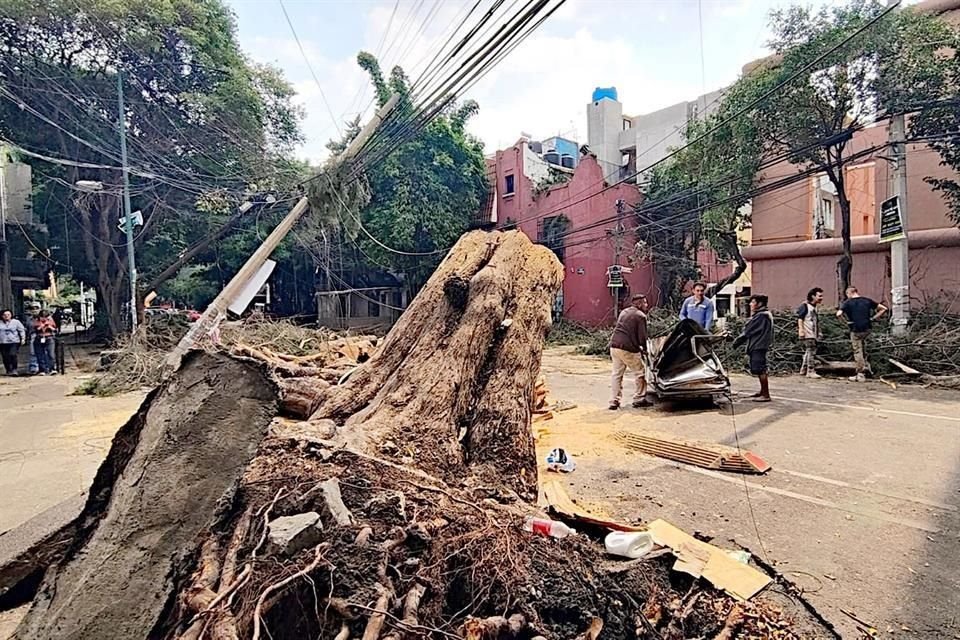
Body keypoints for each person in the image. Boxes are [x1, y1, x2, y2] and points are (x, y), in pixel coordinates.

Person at [609, 293, 651, 410]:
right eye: (645, 303)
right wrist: (645, 350)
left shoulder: (624, 312)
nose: (647, 305)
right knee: (640, 372)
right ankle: (639, 398)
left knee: (617, 374)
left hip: (614, 346)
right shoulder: (640, 316)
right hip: (627, 348)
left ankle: (614, 400)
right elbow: (642, 337)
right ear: (640, 304)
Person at [836, 286, 887, 382]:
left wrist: (845, 322)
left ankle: (860, 373)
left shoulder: (847, 303)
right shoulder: (867, 300)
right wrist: (874, 318)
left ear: (848, 293)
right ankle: (869, 368)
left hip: (856, 329)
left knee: (858, 351)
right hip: (867, 328)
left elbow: (838, 314)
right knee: (864, 348)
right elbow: (883, 308)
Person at [733, 294, 774, 402]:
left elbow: (748, 331)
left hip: (758, 345)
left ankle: (766, 394)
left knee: (760, 369)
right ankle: (762, 391)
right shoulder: (763, 315)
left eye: (753, 302)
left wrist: (736, 342)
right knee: (759, 368)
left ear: (759, 304)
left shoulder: (761, 316)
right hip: (759, 345)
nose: (750, 304)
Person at [796, 287, 824, 379]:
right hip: (808, 333)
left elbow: (817, 321)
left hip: (813, 333)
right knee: (811, 351)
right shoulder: (805, 306)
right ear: (813, 296)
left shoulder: (814, 307)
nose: (821, 298)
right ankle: (810, 370)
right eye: (819, 296)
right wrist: (801, 330)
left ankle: (803, 369)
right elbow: (800, 319)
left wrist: (819, 332)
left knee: (809, 351)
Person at [0, 309, 26, 375]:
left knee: (13, 354)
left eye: (8, 315)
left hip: (14, 341)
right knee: (5, 357)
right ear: (2, 316)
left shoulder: (16, 322)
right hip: (2, 342)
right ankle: (8, 370)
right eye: (4, 315)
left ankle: (14, 369)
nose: (6, 316)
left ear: (11, 315)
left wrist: (23, 338)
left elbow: (21, 330)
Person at [33, 309, 58, 375]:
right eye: (42, 317)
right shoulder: (36, 321)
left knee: (51, 354)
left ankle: (52, 368)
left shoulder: (50, 320)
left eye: (45, 317)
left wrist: (49, 326)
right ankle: (42, 370)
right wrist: (41, 326)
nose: (44, 319)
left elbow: (55, 329)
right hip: (39, 338)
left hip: (49, 338)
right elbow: (34, 329)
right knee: (40, 355)